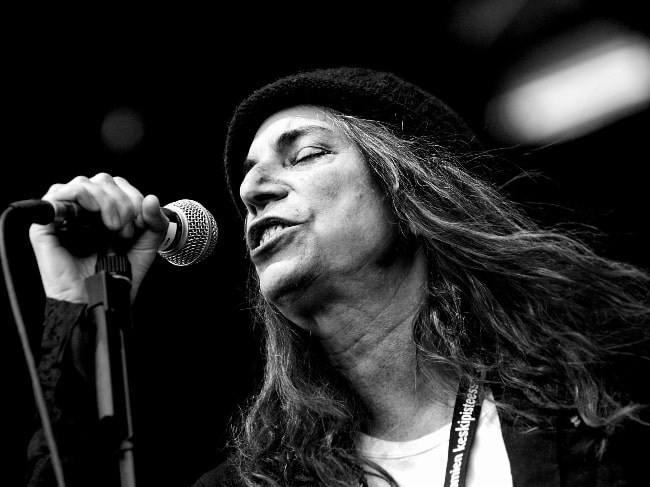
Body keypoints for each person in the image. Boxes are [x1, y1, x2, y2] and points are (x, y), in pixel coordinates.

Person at [25, 67, 650, 487]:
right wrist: (78, 306)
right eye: (247, 185)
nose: (252, 189)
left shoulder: (605, 385)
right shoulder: (257, 481)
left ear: (411, 190)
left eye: (305, 154)